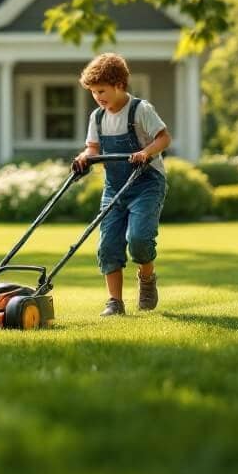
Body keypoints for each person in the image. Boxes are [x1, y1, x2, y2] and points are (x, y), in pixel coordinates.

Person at [72, 53, 172, 317]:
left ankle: (147, 279)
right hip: (115, 187)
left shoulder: (141, 110)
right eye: (93, 92)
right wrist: (84, 158)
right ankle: (114, 302)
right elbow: (92, 147)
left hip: (147, 183)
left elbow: (163, 138)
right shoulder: (97, 117)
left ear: (119, 85)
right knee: (108, 245)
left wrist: (146, 152)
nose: (98, 97)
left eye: (101, 91)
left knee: (138, 239)